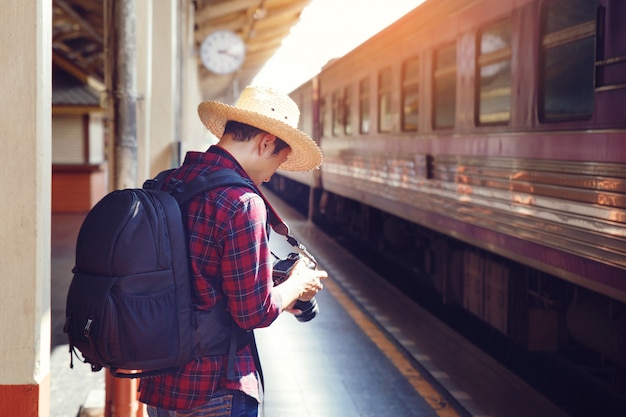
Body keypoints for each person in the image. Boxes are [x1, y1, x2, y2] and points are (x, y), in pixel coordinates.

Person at [138, 85, 327, 417]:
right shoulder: (243, 202)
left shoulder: (169, 182)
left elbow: (196, 269)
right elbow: (253, 312)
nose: (273, 175)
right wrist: (296, 286)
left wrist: (276, 284)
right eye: (280, 160)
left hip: (160, 381)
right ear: (266, 142)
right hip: (215, 387)